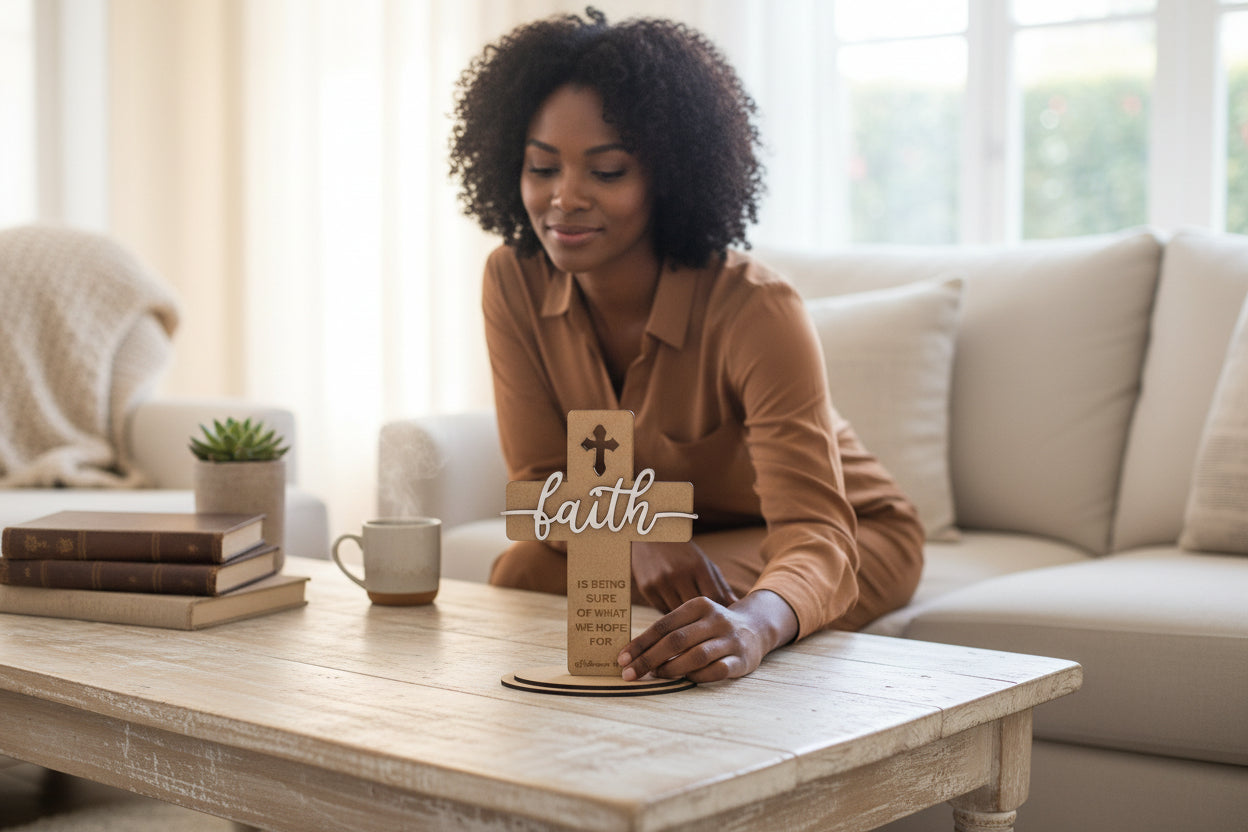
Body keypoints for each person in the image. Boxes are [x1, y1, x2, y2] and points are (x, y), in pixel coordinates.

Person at [449, 8, 924, 684]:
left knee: (695, 621)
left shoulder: (758, 308)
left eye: (607, 171)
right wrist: (626, 538)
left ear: (667, 177)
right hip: (671, 532)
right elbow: (538, 481)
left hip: (848, 533)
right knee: (524, 569)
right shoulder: (512, 279)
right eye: (541, 167)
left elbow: (815, 530)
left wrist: (758, 623)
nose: (564, 198)